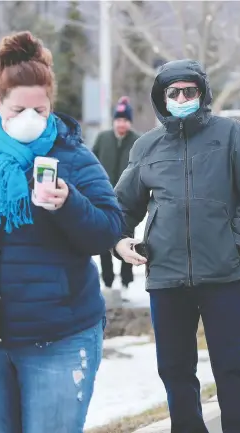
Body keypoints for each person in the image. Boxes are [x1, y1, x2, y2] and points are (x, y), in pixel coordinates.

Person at [0, 31, 122, 433]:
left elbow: (109, 231)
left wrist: (69, 204)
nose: (30, 119)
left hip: (57, 339)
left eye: (40, 110)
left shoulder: (73, 156)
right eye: (17, 109)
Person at [114, 59, 240, 433]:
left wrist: (237, 240)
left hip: (221, 272)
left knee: (233, 365)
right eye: (174, 93)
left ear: (202, 94)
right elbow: (122, 205)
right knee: (174, 369)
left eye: (190, 90)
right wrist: (118, 241)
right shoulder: (147, 147)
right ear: (163, 98)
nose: (183, 97)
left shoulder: (233, 135)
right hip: (166, 276)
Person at [93, 96, 140, 290]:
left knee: (126, 236)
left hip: (129, 199)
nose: (122, 124)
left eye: (125, 121)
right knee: (105, 237)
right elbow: (93, 163)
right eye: (119, 120)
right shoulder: (103, 138)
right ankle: (108, 278)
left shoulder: (137, 141)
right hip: (105, 197)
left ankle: (127, 278)